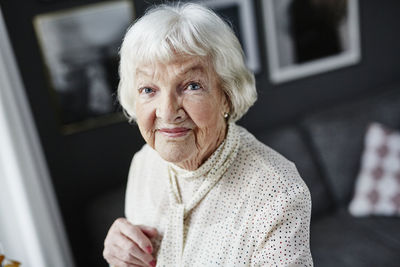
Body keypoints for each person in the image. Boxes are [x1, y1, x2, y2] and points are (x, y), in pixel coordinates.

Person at [103, 3, 313, 266]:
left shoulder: (277, 194)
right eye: (148, 89)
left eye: (192, 86)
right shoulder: (144, 162)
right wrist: (122, 257)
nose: (167, 112)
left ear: (227, 95)